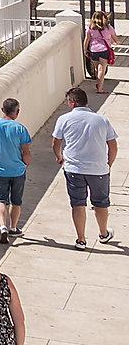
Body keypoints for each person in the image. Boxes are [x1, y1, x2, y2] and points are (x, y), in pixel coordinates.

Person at [52, 87, 117, 247]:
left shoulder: (64, 119)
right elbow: (113, 146)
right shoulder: (101, 120)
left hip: (74, 169)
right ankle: (103, 233)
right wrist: (108, 164)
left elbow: (56, 143)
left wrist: (60, 157)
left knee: (78, 203)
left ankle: (81, 239)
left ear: (73, 102)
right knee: (101, 203)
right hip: (99, 170)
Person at [0, 98, 32, 242]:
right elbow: (26, 152)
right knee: (16, 201)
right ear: (17, 112)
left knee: (1, 200)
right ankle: (13, 228)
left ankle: (2, 226)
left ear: (2, 110)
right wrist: (26, 163)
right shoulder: (20, 129)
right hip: (17, 171)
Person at [88, 14, 118, 87]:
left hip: (93, 50)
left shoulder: (90, 28)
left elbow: (87, 39)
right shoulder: (108, 27)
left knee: (96, 68)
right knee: (101, 69)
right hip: (104, 50)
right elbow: (115, 39)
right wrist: (114, 42)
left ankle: (97, 83)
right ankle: (100, 88)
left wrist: (85, 49)